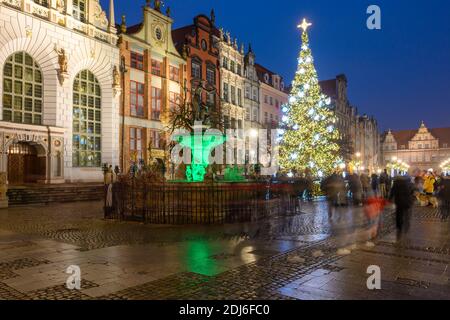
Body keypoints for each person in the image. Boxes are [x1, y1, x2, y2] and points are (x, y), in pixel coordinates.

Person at [390, 176, 415, 241]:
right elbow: (412, 191)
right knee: (406, 214)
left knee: (399, 214)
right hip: (407, 201)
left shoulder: (395, 184)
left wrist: (389, 199)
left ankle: (399, 226)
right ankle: (406, 225)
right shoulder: (407, 183)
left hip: (399, 201)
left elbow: (392, 192)